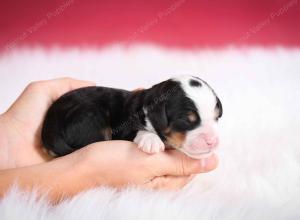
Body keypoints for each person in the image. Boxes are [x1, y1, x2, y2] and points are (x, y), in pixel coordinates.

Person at [0, 78, 218, 203]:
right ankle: (62, 152)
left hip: (62, 128)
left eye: (215, 118)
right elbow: (128, 133)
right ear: (157, 115)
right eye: (188, 122)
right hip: (74, 120)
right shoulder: (144, 118)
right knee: (95, 121)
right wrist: (84, 172)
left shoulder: (151, 108)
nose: (211, 138)